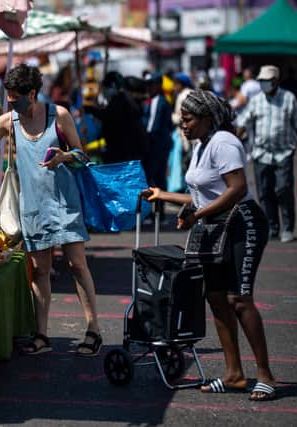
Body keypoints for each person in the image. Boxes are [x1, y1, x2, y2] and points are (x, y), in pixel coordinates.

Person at [0, 64, 102, 357]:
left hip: (65, 202)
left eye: (15, 97)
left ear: (33, 93)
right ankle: (41, 335)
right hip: (33, 205)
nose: (11, 102)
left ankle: (93, 329)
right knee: (40, 271)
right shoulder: (7, 122)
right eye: (8, 97)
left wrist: (64, 156)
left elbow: (82, 156)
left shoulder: (58, 115)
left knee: (77, 264)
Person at [142, 89, 276, 402]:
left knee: (239, 300)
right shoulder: (202, 145)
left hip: (243, 224)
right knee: (216, 299)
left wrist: (196, 216)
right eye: (181, 121)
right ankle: (234, 374)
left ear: (206, 118)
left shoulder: (223, 142)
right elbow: (204, 195)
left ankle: (266, 375)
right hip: (216, 226)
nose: (183, 126)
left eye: (188, 120)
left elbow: (237, 188)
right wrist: (163, 196)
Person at [236, 65, 297, 243]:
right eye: (261, 81)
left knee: (283, 189)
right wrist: (233, 142)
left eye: (267, 81)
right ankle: (272, 227)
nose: (263, 84)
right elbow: (243, 121)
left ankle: (287, 227)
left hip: (284, 152)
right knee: (264, 192)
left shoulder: (289, 99)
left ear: (276, 81)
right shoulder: (256, 100)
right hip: (261, 153)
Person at [84, 71, 148, 163]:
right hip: (125, 151)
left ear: (113, 86)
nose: (104, 90)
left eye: (105, 87)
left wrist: (91, 110)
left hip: (126, 152)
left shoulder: (121, 99)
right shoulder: (122, 98)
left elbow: (108, 116)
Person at [143, 73, 174, 217]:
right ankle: (158, 211)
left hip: (157, 143)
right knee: (157, 176)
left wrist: (148, 140)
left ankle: (157, 211)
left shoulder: (160, 102)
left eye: (151, 84)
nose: (148, 88)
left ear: (158, 85)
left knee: (155, 176)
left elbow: (153, 126)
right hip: (159, 143)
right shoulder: (154, 101)